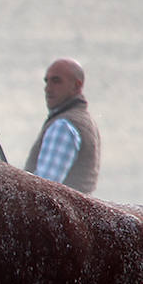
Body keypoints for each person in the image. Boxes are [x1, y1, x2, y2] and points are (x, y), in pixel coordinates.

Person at [23, 57, 100, 193]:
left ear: (76, 86)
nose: (48, 89)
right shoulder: (84, 121)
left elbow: (43, 190)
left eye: (56, 81)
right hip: (79, 212)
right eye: (47, 81)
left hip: (57, 214)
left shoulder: (64, 126)